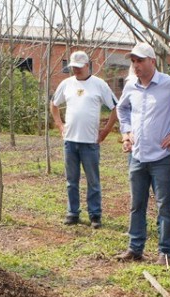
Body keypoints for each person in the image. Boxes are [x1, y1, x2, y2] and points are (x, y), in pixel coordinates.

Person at [115, 42, 170, 266]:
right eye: (133, 61)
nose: (135, 65)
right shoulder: (131, 87)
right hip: (137, 155)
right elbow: (121, 108)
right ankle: (135, 248)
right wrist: (126, 132)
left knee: (164, 205)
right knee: (137, 204)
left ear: (152, 61)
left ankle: (165, 253)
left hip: (162, 157)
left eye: (140, 60)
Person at [50, 51, 118, 229]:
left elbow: (115, 108)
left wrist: (104, 132)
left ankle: (95, 214)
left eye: (79, 67)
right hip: (70, 141)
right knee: (71, 180)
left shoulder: (99, 85)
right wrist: (60, 125)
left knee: (93, 181)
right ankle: (72, 212)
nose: (76, 70)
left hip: (90, 142)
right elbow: (54, 104)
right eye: (73, 67)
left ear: (88, 65)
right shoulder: (66, 84)